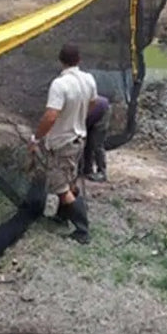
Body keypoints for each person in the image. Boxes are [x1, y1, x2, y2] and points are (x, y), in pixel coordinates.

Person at [30, 43, 97, 244]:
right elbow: (93, 103)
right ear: (79, 60)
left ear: (61, 61)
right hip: (79, 138)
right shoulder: (89, 79)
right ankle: (63, 215)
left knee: (60, 185)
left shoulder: (60, 84)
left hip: (63, 142)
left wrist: (37, 137)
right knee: (69, 180)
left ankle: (82, 229)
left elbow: (51, 115)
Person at [83, 95, 110, 182]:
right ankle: (87, 170)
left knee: (97, 144)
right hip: (91, 115)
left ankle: (102, 173)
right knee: (86, 143)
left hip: (101, 111)